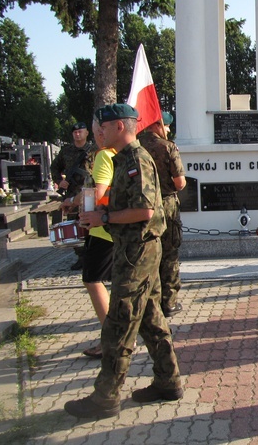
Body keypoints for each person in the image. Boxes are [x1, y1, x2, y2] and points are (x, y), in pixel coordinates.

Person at [64, 104, 182, 419]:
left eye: (100, 128)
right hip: (132, 248)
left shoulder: (137, 160)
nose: (96, 133)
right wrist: (94, 212)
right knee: (150, 319)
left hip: (137, 251)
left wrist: (102, 215)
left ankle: (105, 397)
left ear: (118, 126)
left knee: (118, 322)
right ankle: (168, 381)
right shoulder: (122, 160)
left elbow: (144, 210)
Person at [61, 118, 115, 359]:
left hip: (102, 231)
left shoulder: (104, 156)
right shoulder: (122, 154)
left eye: (95, 132)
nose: (94, 137)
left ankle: (111, 339)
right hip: (114, 228)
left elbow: (98, 192)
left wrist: (73, 202)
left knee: (92, 280)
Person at [138, 112, 187, 317]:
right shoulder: (167, 147)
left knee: (147, 255)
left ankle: (150, 304)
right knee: (169, 254)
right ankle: (169, 302)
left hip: (140, 207)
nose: (168, 130)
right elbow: (180, 183)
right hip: (165, 205)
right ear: (159, 125)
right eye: (166, 126)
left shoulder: (136, 147)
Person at [51, 121, 96, 270]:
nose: (77, 134)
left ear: (86, 133)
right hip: (72, 195)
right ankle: (81, 258)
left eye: (80, 131)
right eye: (75, 132)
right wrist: (59, 181)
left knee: (91, 225)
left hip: (90, 193)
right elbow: (54, 168)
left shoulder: (94, 150)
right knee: (75, 226)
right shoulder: (66, 151)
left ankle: (93, 256)